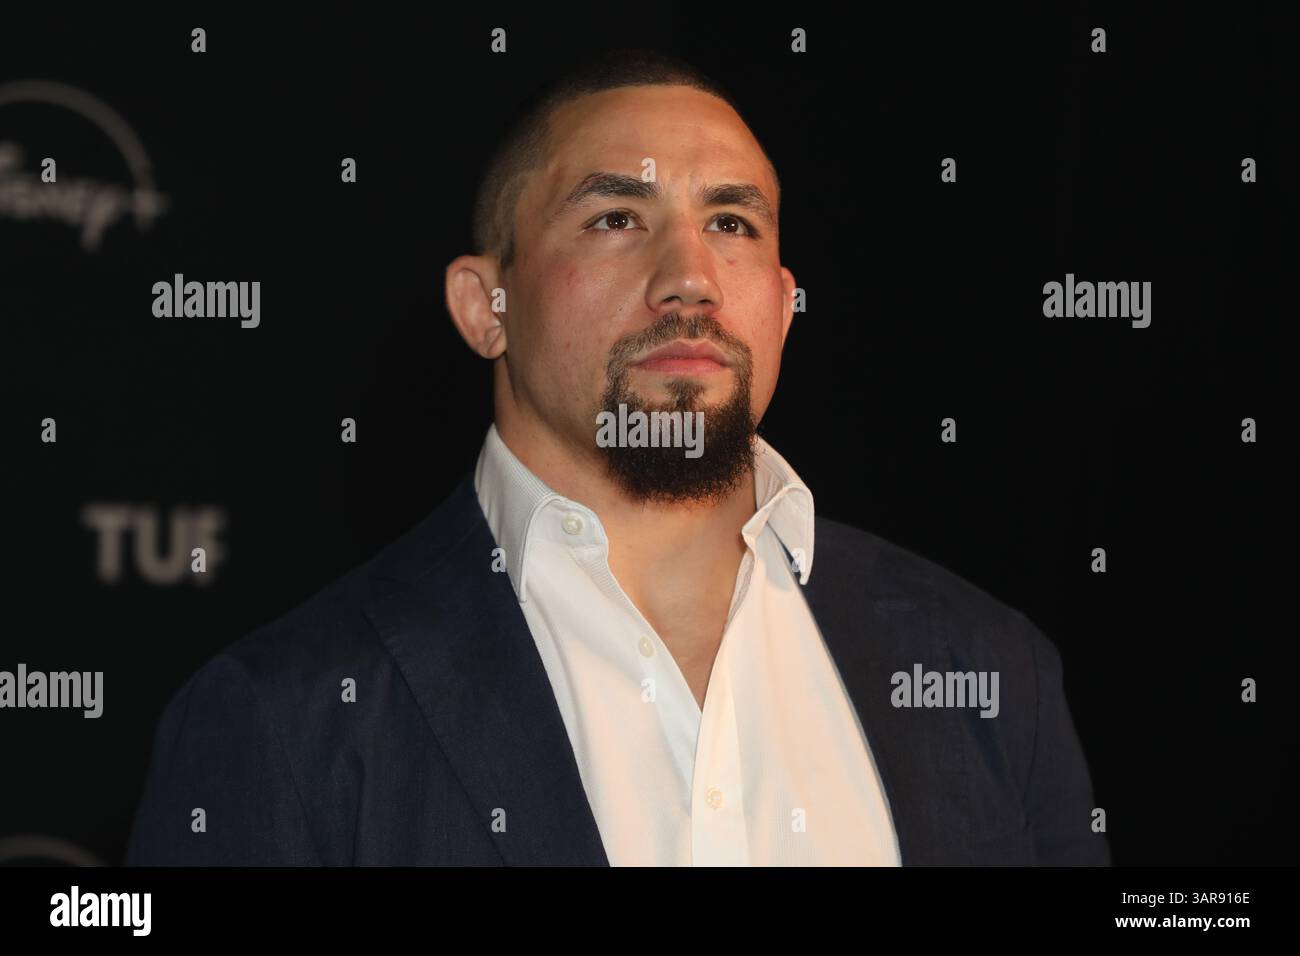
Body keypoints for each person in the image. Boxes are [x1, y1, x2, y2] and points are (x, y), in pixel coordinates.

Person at [126, 49, 1108, 867]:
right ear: (484, 306)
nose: (689, 275)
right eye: (615, 217)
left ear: (781, 297)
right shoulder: (284, 718)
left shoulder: (987, 668)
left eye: (731, 222)